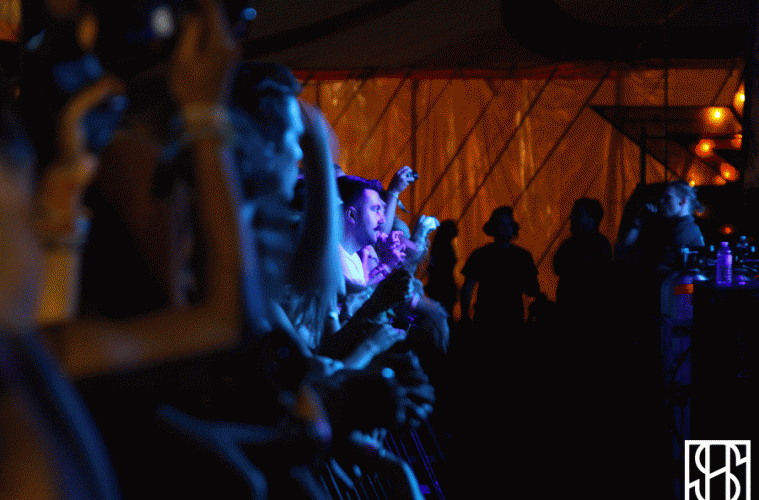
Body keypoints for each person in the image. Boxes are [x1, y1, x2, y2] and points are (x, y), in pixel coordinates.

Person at [460, 206, 542, 334]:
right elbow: (533, 290)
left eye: (509, 225)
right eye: (502, 225)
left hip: (494, 320)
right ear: (493, 227)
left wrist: (465, 316)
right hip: (501, 320)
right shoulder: (522, 256)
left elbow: (468, 287)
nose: (506, 229)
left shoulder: (481, 254)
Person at [553, 198, 612, 330]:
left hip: (588, 318)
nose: (572, 218)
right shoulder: (570, 244)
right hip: (570, 316)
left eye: (578, 214)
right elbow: (558, 267)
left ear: (592, 219)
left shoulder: (600, 245)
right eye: (573, 214)